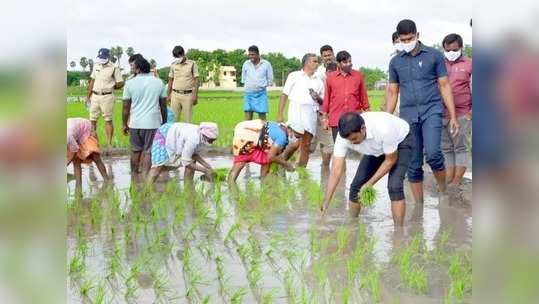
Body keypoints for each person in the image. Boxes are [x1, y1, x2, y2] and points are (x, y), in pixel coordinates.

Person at [386, 19, 460, 205]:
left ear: (417, 35)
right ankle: (419, 207)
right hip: (408, 115)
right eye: (403, 40)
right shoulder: (395, 62)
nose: (407, 42)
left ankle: (443, 190)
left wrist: (452, 116)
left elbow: (444, 85)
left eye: (410, 38)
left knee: (434, 154)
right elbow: (393, 91)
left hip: (431, 110)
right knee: (413, 163)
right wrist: (387, 118)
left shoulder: (434, 56)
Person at [320, 112, 413, 226]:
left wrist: (370, 183)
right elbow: (335, 171)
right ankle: (353, 225)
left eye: (354, 138)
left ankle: (398, 233)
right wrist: (326, 201)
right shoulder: (343, 137)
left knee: (394, 186)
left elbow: (390, 160)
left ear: (363, 129)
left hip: (401, 141)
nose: (352, 143)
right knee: (356, 188)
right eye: (349, 140)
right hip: (376, 148)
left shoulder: (384, 129)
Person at [122, 57, 168, 179]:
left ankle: (133, 177)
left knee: (135, 150)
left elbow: (126, 107)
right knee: (149, 151)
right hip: (153, 123)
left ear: (137, 69)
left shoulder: (129, 83)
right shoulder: (159, 82)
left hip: (135, 123)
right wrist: (165, 122)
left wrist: (124, 124)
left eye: (133, 67)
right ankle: (145, 178)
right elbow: (163, 106)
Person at [277, 53, 324, 167]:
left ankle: (301, 171)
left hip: (311, 112)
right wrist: (280, 113)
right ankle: (281, 164)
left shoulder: (319, 80)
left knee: (306, 144)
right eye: (315, 61)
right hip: (296, 110)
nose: (317, 64)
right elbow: (284, 94)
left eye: (317, 61)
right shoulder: (294, 75)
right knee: (294, 143)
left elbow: (323, 102)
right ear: (307, 62)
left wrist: (317, 97)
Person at [441, 33, 472, 189]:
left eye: (455, 49)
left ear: (461, 48)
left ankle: (456, 181)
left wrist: (470, 113)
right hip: (441, 114)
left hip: (462, 113)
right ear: (444, 49)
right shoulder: (439, 63)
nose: (451, 52)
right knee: (446, 148)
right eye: (448, 49)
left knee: (460, 147)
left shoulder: (470, 64)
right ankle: (448, 179)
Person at [227, 120, 304, 183]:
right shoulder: (282, 137)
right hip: (246, 134)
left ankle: (263, 180)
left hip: (248, 129)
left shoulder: (281, 126)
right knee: (240, 163)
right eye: (296, 136)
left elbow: (270, 154)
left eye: (299, 138)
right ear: (290, 130)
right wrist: (287, 164)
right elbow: (271, 156)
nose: (296, 139)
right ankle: (231, 186)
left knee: (266, 159)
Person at [147, 122, 219, 184]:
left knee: (192, 161)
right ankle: (146, 190)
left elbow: (193, 154)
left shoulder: (201, 137)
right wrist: (205, 170)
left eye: (214, 140)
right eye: (211, 140)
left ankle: (188, 187)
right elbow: (186, 162)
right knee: (158, 166)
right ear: (205, 135)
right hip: (164, 134)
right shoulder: (193, 139)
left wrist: (207, 166)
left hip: (175, 134)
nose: (212, 142)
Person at [321, 50, 369, 141]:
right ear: (338, 63)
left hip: (355, 118)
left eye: (350, 61)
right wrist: (324, 119)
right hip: (336, 119)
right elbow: (327, 99)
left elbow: (364, 97)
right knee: (339, 147)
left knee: (357, 146)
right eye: (345, 62)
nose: (348, 64)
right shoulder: (330, 78)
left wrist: (368, 114)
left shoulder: (358, 76)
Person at [86, 48, 124, 150]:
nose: (101, 60)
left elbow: (120, 82)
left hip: (107, 96)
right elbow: (92, 81)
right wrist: (87, 97)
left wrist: (113, 86)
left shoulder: (114, 68)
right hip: (95, 96)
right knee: (92, 120)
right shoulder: (96, 65)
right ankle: (95, 144)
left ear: (108, 57)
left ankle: (109, 144)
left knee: (108, 119)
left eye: (103, 58)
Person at [67, 118, 110, 193]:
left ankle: (107, 180)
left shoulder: (68, 136)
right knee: (76, 161)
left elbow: (74, 150)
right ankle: (78, 186)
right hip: (75, 132)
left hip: (85, 129)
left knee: (96, 157)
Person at [311, 45, 336, 166]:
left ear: (333, 54)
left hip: (336, 108)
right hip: (321, 108)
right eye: (325, 56)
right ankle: (325, 164)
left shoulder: (339, 68)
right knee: (323, 138)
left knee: (335, 139)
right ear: (322, 57)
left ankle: (332, 165)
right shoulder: (319, 72)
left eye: (329, 55)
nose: (327, 57)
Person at [167, 45, 200, 122]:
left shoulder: (192, 64)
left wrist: (195, 96)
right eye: (176, 57)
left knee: (187, 121)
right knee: (173, 120)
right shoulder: (173, 65)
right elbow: (170, 80)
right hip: (175, 95)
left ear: (183, 54)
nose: (178, 58)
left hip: (188, 95)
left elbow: (196, 80)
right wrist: (168, 95)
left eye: (179, 56)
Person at [241, 45, 274, 120]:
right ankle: (247, 132)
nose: (251, 56)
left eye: (253, 54)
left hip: (261, 94)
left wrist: (261, 85)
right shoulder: (246, 64)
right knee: (247, 118)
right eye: (249, 54)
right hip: (248, 93)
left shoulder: (266, 64)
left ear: (258, 54)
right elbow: (244, 78)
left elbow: (270, 79)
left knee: (262, 119)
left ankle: (264, 132)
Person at [381, 32, 402, 116]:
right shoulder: (392, 59)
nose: (399, 44)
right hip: (395, 93)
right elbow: (390, 80)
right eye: (397, 42)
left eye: (401, 41)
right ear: (393, 43)